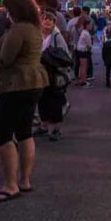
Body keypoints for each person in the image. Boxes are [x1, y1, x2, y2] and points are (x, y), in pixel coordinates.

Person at [0, 0, 49, 205]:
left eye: (7, 10)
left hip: (17, 84)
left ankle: (10, 184)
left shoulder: (18, 30)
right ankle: (24, 179)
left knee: (2, 132)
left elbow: (4, 60)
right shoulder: (34, 28)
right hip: (35, 82)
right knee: (24, 132)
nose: (5, 14)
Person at [38, 10, 70, 141]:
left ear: (54, 23)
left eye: (50, 20)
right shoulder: (38, 35)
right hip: (40, 73)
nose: (47, 22)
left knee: (55, 101)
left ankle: (56, 129)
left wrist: (50, 56)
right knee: (42, 100)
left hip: (54, 74)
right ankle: (43, 126)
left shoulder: (56, 37)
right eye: (45, 19)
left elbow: (64, 55)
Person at [74, 16, 93, 87]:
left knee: (81, 67)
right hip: (83, 51)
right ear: (87, 25)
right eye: (90, 25)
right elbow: (89, 45)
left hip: (79, 51)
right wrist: (90, 50)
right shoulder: (86, 34)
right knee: (84, 67)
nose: (91, 26)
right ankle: (83, 81)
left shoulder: (83, 32)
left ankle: (81, 80)